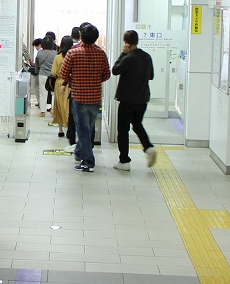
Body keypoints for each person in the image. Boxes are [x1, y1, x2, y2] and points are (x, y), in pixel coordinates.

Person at [58, 22, 110, 172]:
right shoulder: (101, 53)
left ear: (81, 36)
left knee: (83, 131)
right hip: (95, 98)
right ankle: (80, 152)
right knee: (88, 129)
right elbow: (107, 74)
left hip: (79, 97)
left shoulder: (73, 53)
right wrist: (94, 80)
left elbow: (63, 73)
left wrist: (75, 79)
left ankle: (88, 161)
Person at [112, 29, 157, 170]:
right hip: (142, 99)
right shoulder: (147, 57)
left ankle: (124, 161)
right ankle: (149, 148)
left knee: (123, 130)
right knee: (137, 125)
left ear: (126, 43)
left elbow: (115, 70)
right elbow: (151, 76)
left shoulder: (128, 57)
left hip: (127, 100)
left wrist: (122, 54)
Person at [48, 35, 73, 137]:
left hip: (60, 84)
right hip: (71, 83)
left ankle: (60, 129)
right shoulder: (72, 56)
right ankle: (70, 127)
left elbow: (53, 73)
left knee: (58, 105)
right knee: (68, 106)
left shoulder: (58, 57)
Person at [33, 36, 56, 116]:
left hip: (42, 74)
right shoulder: (55, 53)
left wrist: (37, 72)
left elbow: (37, 65)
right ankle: (53, 110)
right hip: (52, 76)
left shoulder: (40, 53)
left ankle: (43, 111)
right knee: (53, 93)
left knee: (43, 93)